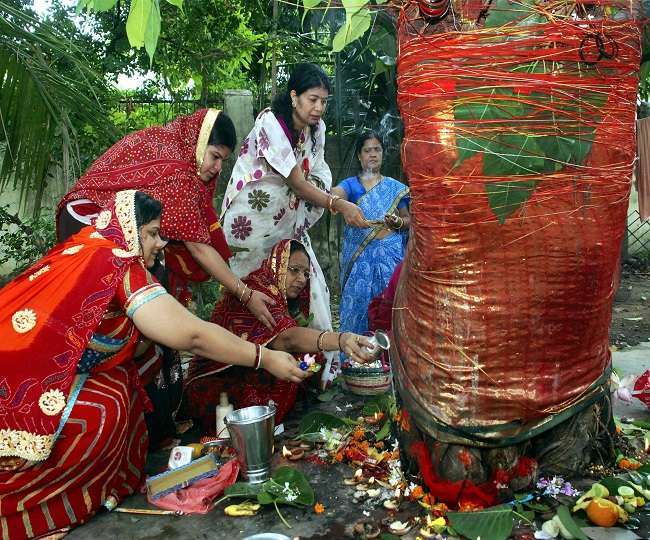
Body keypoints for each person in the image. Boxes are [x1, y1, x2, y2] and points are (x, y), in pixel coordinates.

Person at [0, 190, 304, 539]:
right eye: (153, 233)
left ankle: (98, 488)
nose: (160, 243)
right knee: (106, 406)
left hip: (34, 365)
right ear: (131, 229)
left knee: (126, 385)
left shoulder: (93, 245)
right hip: (22, 379)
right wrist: (264, 357)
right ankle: (32, 510)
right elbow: (192, 336)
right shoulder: (117, 260)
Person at [57, 109, 276, 327]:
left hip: (92, 218)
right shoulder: (180, 174)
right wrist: (245, 294)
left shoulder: (173, 143)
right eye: (215, 157)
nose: (218, 168)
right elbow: (198, 247)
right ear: (198, 143)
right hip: (89, 221)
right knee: (140, 297)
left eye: (223, 161)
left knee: (148, 289)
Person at [220, 63, 368, 381]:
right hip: (252, 226)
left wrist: (329, 198)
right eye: (312, 99)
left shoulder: (317, 131)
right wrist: (338, 204)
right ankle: (240, 370)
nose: (318, 108)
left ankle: (317, 374)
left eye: (324, 101)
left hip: (287, 222)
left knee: (308, 284)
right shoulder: (270, 123)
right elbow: (298, 181)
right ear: (293, 97)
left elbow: (316, 172)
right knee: (252, 295)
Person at [183, 239, 373, 429]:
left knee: (311, 359)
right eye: (294, 270)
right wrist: (341, 340)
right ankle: (260, 427)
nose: (301, 279)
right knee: (282, 375)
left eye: (306, 274)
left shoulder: (279, 296)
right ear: (278, 264)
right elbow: (287, 339)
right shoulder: (260, 291)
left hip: (249, 364)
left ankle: (274, 415)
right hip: (213, 380)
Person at [332, 131, 410, 347]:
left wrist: (398, 222)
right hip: (360, 260)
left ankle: (390, 362)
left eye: (377, 149)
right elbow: (333, 195)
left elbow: (408, 220)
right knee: (359, 307)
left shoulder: (395, 189)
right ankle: (354, 362)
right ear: (359, 156)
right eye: (367, 150)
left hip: (390, 256)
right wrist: (341, 203)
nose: (373, 154)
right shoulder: (351, 185)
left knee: (389, 306)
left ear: (383, 153)